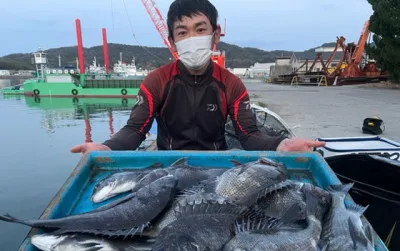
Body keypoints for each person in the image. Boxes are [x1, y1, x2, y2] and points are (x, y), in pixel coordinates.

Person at [71, 0, 325, 155]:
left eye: (200, 30)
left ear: (215, 35)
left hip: (216, 163)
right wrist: (107, 147)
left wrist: (282, 144)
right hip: (168, 163)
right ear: (172, 41)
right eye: (182, 32)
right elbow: (134, 130)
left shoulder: (231, 83)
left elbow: (249, 135)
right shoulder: (156, 81)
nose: (192, 38)